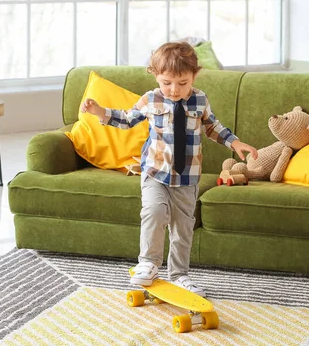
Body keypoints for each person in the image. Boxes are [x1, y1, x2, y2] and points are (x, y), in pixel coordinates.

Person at [80, 42, 258, 297]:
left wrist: (235, 142)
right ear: (155, 75)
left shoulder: (200, 100)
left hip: (188, 178)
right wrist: (99, 111)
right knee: (153, 212)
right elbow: (127, 119)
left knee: (182, 227)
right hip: (155, 173)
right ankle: (149, 263)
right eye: (167, 82)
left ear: (194, 76)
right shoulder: (151, 99)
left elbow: (212, 127)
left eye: (182, 83)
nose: (174, 90)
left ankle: (179, 275)